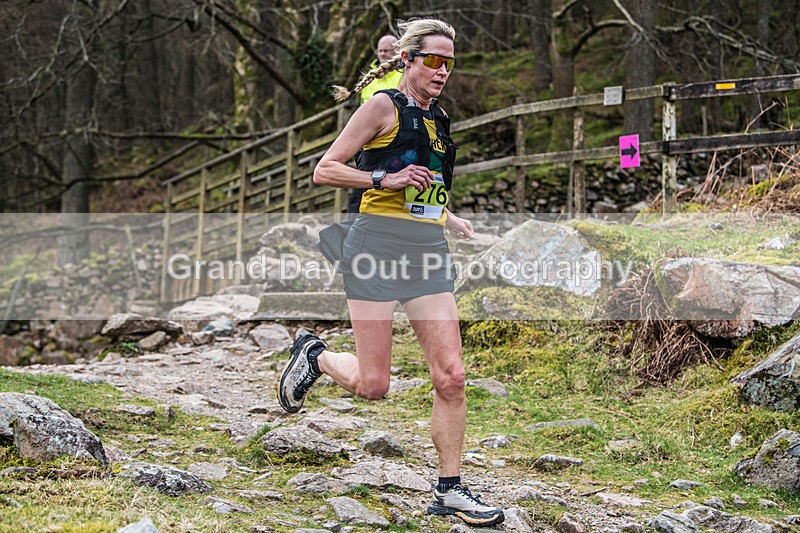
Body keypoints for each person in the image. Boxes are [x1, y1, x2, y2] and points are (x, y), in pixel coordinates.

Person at [277, 18, 505, 528]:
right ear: (408, 60)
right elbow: (325, 169)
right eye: (434, 61)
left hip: (426, 252)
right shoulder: (381, 107)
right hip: (375, 249)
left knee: (452, 376)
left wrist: (449, 218)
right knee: (374, 384)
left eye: (450, 63)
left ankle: (450, 489)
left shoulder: (439, 119)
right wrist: (384, 177)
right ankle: (316, 356)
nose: (442, 71)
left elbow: (424, 186)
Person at [347, 34, 403, 215]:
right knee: (362, 182)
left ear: (396, 51)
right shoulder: (370, 78)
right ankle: (352, 222)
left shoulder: (403, 74)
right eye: (380, 51)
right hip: (368, 139)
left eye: (386, 50)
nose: (382, 54)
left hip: (395, 137)